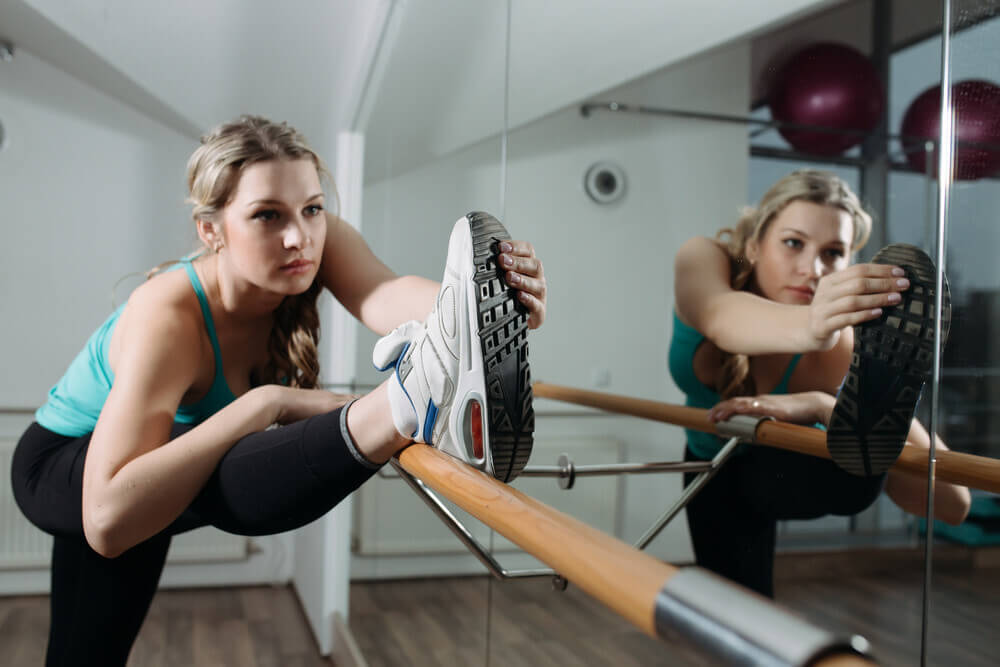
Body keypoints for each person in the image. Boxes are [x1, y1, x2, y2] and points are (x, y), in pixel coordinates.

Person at [11, 116, 545, 666]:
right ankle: (408, 403)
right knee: (210, 470)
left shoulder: (316, 240)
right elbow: (104, 518)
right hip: (62, 467)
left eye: (312, 208)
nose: (299, 236)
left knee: (85, 655)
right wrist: (269, 403)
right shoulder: (167, 314)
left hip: (154, 461)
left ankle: (412, 398)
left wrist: (485, 306)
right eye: (267, 215)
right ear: (211, 230)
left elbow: (384, 294)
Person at [669, 169, 970, 598]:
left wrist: (822, 405)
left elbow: (953, 506)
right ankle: (849, 426)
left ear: (849, 261)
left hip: (778, 468)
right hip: (710, 467)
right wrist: (814, 326)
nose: (813, 269)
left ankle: (846, 420)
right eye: (793, 242)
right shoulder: (704, 257)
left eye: (833, 252)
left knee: (855, 473)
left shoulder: (839, 344)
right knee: (740, 611)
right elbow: (721, 319)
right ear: (754, 244)